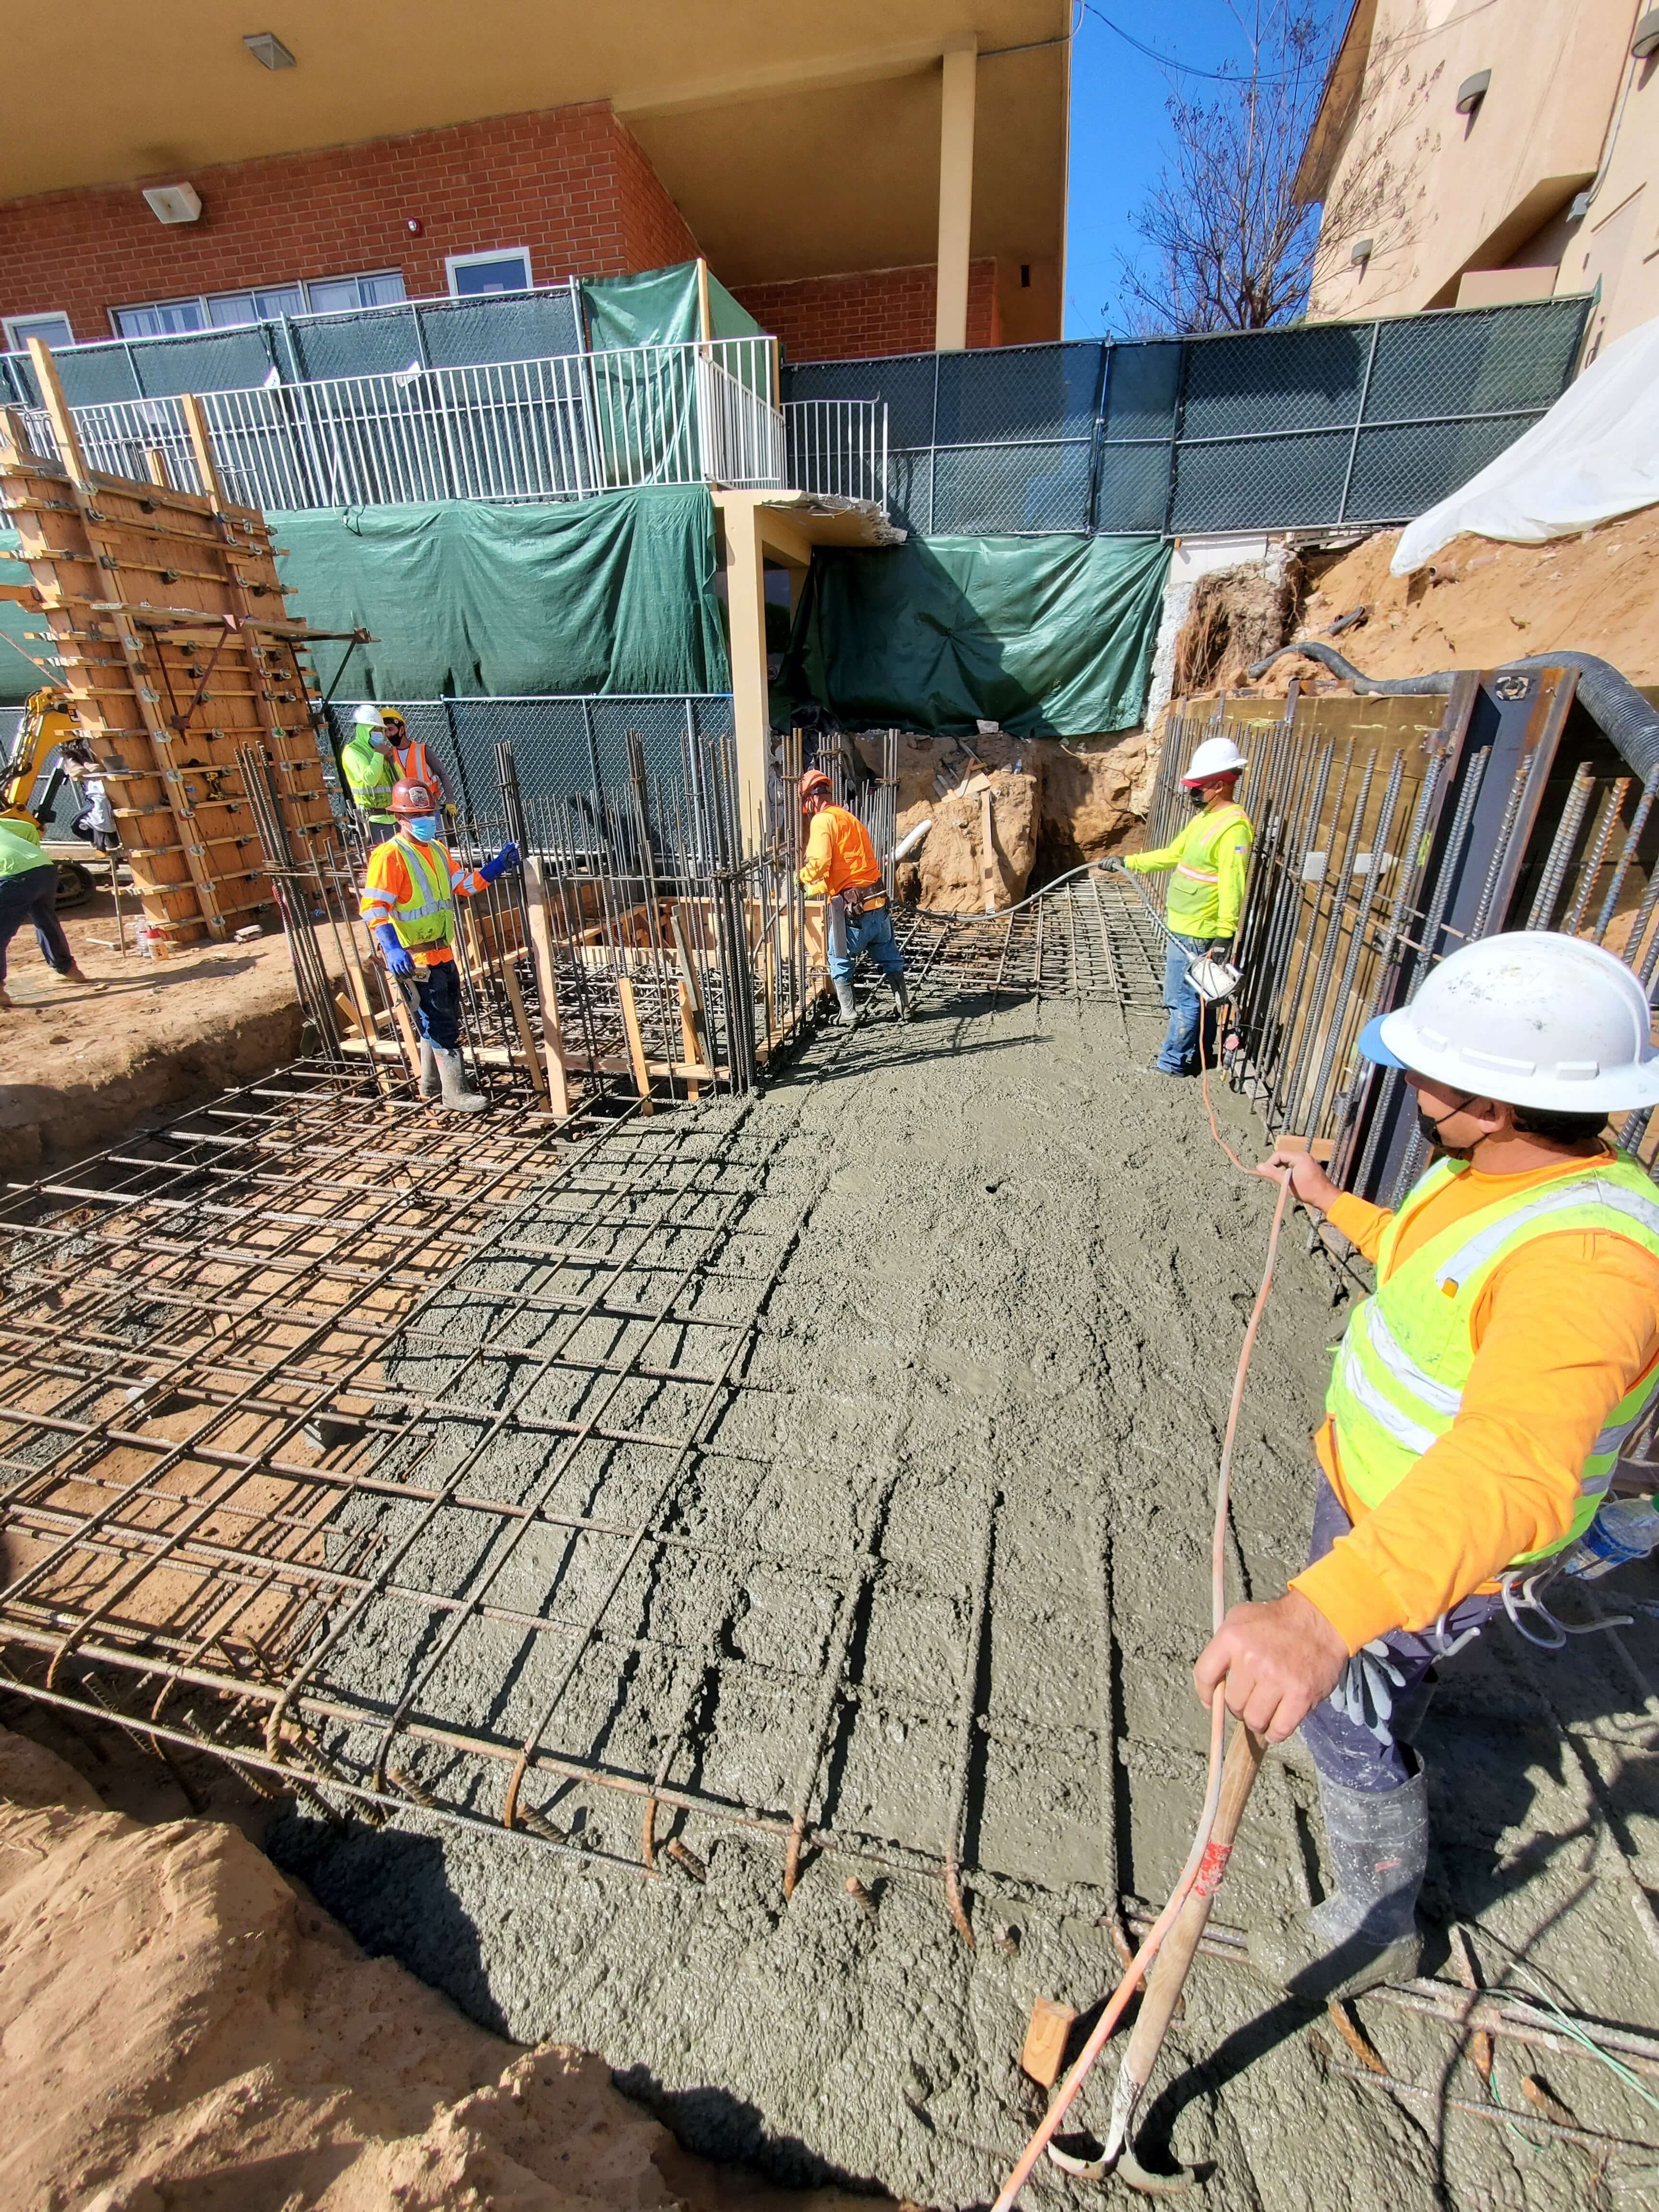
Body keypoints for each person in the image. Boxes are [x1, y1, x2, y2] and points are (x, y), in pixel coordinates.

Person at [1194, 931, 1659, 2001]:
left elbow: (1515, 1464)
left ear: (1491, 1101)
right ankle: (1393, 1705)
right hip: (1380, 1506)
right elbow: (1426, 1270)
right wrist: (1327, 1199)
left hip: (1424, 1542)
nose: (1406, 1079)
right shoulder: (1497, 1175)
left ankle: (1376, 1919)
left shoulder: (1587, 1264)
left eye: (1427, 1068)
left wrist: (1322, 1616)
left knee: (1345, 1717)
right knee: (1383, 1683)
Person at [358, 778, 519, 1112]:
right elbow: (374, 907)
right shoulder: (389, 856)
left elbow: (463, 885)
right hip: (415, 960)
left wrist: (498, 866)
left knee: (440, 1017)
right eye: (417, 814)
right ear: (399, 818)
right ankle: (454, 1094)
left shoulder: (437, 850)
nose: (425, 820)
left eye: (428, 813)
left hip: (443, 952)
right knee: (441, 1023)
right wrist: (391, 947)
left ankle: (431, 1085)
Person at [1124, 736, 1252, 1076]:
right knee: (1198, 997)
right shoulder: (1206, 817)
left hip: (1200, 928)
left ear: (1219, 784)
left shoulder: (1233, 828)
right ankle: (1199, 1054)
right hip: (1182, 921)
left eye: (1197, 787)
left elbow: (1232, 883)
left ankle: (1173, 1063)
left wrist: (1225, 933)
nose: (1192, 793)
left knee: (1182, 998)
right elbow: (1173, 854)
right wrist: (1128, 862)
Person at [798, 767, 910, 1026]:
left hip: (853, 912)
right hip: (878, 905)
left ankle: (849, 1013)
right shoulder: (850, 819)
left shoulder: (822, 820)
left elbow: (820, 863)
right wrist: (816, 889)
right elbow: (849, 867)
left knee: (838, 957)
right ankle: (904, 1007)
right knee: (889, 956)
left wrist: (802, 878)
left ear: (811, 799)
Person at [0, 811, 95, 1010]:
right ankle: (69, 970)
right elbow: (27, 828)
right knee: (46, 921)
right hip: (44, 868)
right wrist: (32, 858)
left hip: (14, 875)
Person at [341, 705, 398, 845]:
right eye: (375, 729)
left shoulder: (380, 752)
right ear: (363, 730)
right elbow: (370, 780)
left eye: (381, 730)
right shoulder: (352, 752)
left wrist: (393, 761)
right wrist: (379, 755)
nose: (379, 733)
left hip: (394, 817)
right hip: (373, 821)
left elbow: (399, 780)